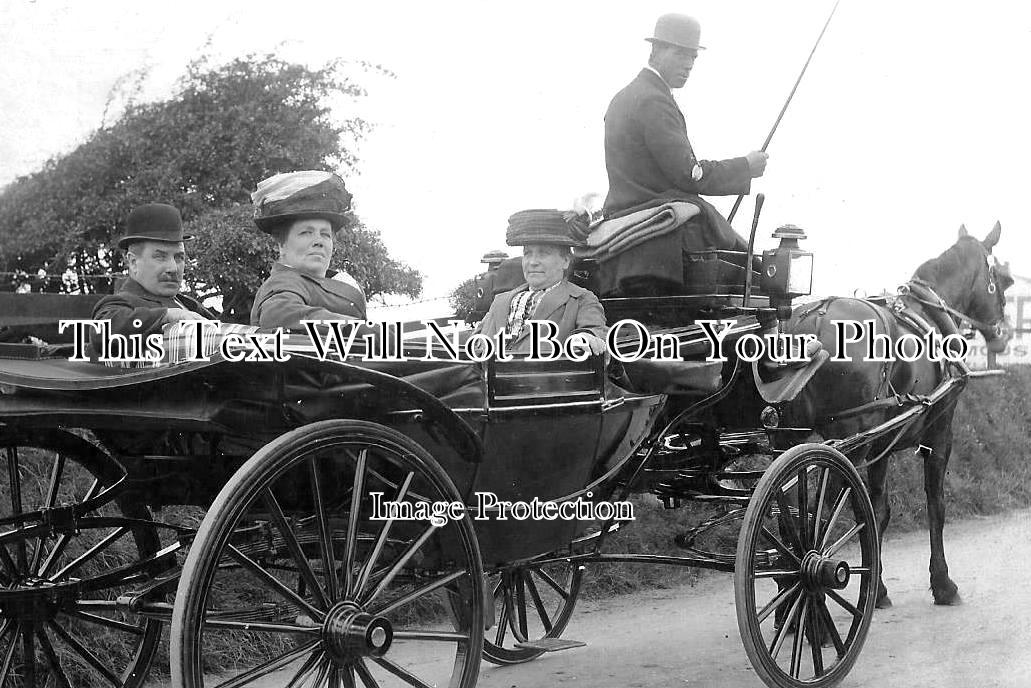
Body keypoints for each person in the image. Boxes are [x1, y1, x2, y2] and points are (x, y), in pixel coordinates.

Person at [603, 13, 769, 216]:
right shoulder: (654, 101)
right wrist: (745, 167)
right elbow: (690, 175)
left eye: (693, 56)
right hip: (655, 221)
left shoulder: (625, 97)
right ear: (656, 50)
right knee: (733, 242)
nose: (689, 64)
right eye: (681, 54)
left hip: (626, 218)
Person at [475, 209, 607, 357]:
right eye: (527, 253)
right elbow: (474, 341)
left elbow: (596, 331)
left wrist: (586, 338)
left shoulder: (582, 299)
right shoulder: (500, 300)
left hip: (544, 378)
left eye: (543, 253)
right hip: (487, 377)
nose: (532, 262)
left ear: (565, 261)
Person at [249, 171, 367, 330]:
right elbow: (279, 314)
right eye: (306, 233)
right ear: (281, 244)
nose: (319, 241)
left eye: (325, 234)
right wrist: (356, 329)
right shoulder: (282, 283)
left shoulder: (342, 282)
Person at [91, 203, 215, 343]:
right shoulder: (120, 305)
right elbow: (102, 331)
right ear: (133, 262)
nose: (173, 268)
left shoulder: (189, 305)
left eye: (179, 257)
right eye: (160, 257)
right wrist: (167, 316)